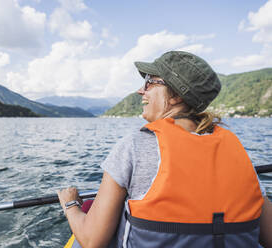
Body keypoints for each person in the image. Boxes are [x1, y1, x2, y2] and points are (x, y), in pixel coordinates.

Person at [57, 51, 272, 248]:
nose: (140, 90)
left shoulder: (134, 146)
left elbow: (92, 240)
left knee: (88, 214)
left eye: (150, 82)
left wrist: (71, 204)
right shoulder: (236, 150)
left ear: (176, 96)